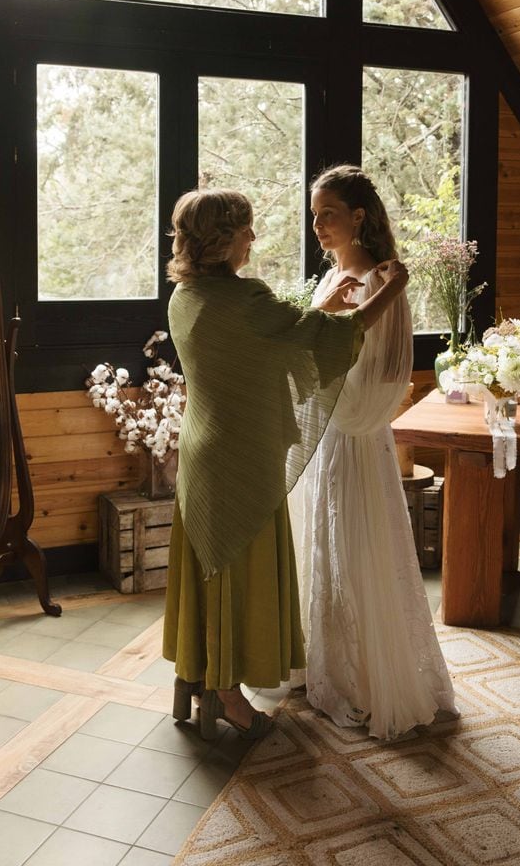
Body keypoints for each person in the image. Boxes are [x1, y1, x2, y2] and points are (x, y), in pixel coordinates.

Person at [162, 187, 410, 740]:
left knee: (209, 574)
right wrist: (391, 287)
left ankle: (195, 678)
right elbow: (327, 340)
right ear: (224, 239)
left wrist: (319, 310)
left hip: (201, 453)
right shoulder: (245, 298)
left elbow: (266, 347)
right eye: (246, 229)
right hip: (241, 460)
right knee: (235, 575)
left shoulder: (186, 296)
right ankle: (228, 697)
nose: (253, 237)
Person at [293, 165, 458, 740]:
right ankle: (321, 658)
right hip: (328, 437)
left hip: (352, 438)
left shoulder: (380, 281)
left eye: (327, 214)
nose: (316, 225)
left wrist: (341, 415)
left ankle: (361, 674)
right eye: (314, 215)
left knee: (354, 554)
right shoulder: (337, 277)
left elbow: (387, 374)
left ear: (358, 217)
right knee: (327, 553)